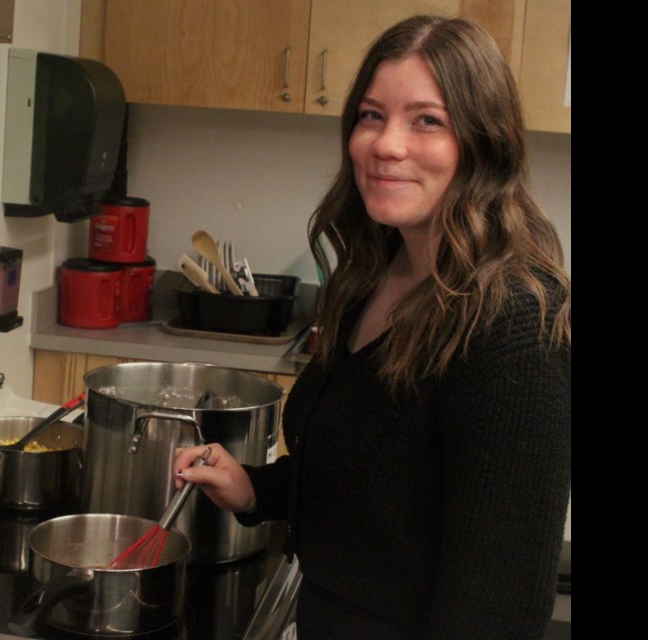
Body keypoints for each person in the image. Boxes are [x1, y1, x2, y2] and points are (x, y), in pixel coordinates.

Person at [174, 14, 571, 640]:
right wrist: (254, 489)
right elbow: (376, 482)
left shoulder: (512, 321)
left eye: (427, 120)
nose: (386, 144)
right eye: (370, 115)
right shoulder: (374, 274)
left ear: (484, 143)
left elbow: (501, 607)